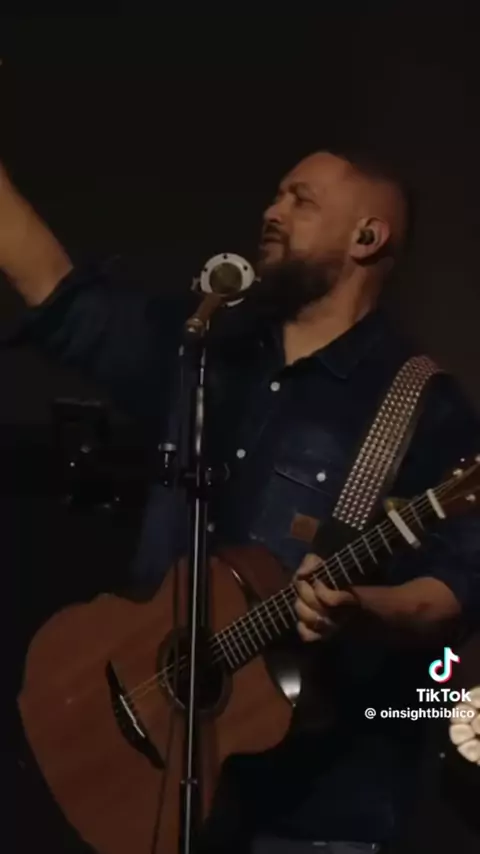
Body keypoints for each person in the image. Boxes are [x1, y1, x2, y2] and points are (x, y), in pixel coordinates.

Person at [2, 149, 480, 854]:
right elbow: (61, 294)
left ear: (367, 237)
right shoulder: (205, 350)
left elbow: (458, 587)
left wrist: (365, 609)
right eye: (276, 196)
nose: (271, 211)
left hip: (312, 816)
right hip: (152, 775)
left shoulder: (420, 408)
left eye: (301, 200)